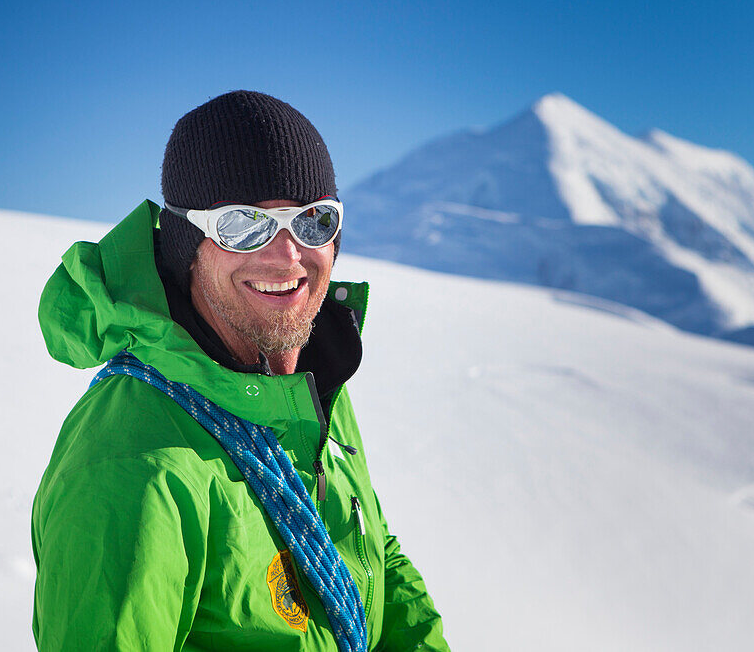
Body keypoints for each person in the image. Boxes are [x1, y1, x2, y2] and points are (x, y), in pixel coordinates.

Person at [32, 90, 450, 651]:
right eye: (244, 225)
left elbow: (365, 556)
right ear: (188, 245)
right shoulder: (134, 466)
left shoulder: (310, 379)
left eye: (313, 221)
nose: (288, 254)